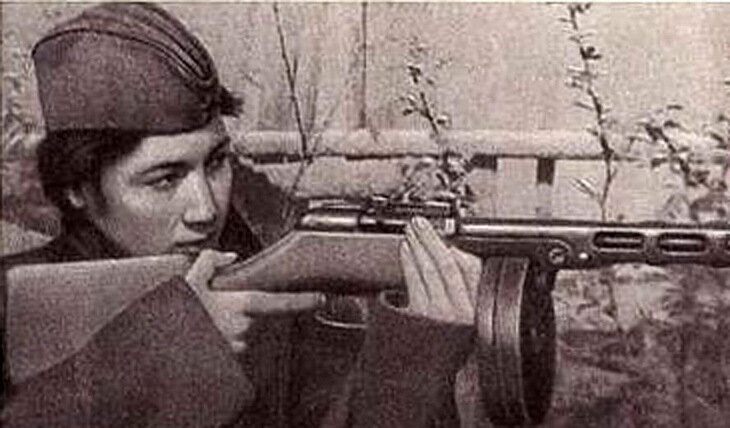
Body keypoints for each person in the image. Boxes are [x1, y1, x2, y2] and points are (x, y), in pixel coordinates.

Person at [0, 3, 481, 427]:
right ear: (77, 190)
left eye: (215, 163)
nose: (206, 208)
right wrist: (172, 345)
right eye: (164, 179)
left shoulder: (275, 302)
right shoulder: (14, 310)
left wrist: (413, 362)